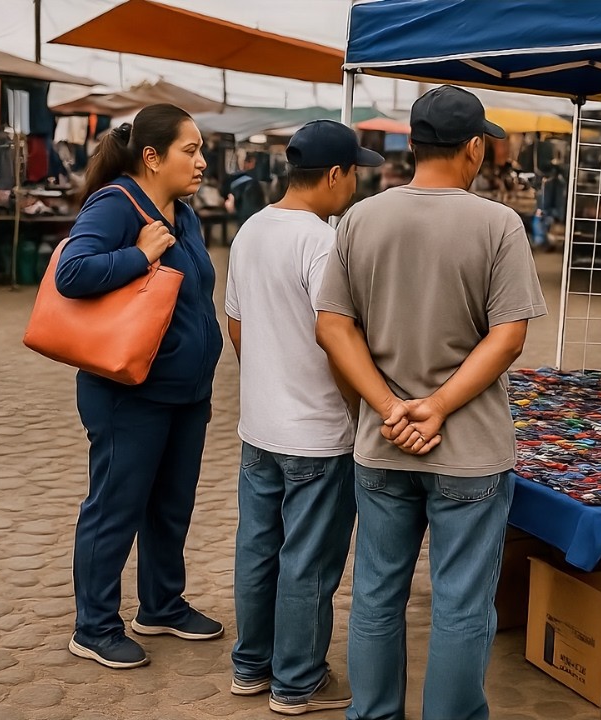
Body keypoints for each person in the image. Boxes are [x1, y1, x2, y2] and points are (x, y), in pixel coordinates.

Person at [315, 85, 547, 720]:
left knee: (376, 595)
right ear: (474, 147)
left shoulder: (362, 217)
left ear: (411, 144)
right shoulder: (499, 224)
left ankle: (372, 714)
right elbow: (509, 336)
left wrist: (387, 405)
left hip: (382, 446)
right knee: (463, 604)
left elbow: (332, 327)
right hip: (469, 449)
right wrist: (438, 406)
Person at [55, 104, 224, 669]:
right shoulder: (116, 204)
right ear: (152, 157)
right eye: (191, 150)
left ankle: (161, 605)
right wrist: (138, 254)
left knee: (170, 507)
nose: (202, 161)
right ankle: (94, 625)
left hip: (184, 392)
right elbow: (71, 274)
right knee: (115, 508)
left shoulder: (184, 212)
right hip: (128, 393)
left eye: (201, 150)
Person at [224, 120, 383, 715]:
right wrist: (356, 406)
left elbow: (236, 321)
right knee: (309, 562)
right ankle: (296, 682)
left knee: (258, 550)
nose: (356, 187)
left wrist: (268, 375)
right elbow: (334, 331)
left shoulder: (251, 230)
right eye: (355, 174)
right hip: (316, 432)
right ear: (336, 174)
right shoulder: (320, 240)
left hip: (259, 427)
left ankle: (250, 665)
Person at [530, 166, 566, 251]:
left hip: (551, 211)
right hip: (553, 211)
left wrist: (542, 210)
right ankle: (543, 241)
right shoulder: (559, 183)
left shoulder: (552, 184)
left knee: (539, 221)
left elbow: (547, 201)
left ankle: (542, 241)